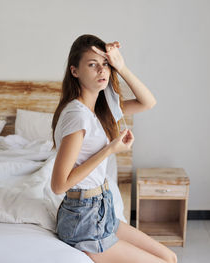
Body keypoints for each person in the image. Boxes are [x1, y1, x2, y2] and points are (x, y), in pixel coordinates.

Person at [50, 34, 177, 263]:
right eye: (92, 64)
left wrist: (121, 66)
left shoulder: (100, 109)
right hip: (84, 218)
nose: (102, 70)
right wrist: (109, 150)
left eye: (105, 64)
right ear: (74, 71)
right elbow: (59, 185)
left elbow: (148, 102)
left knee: (170, 257)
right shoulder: (77, 116)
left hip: (101, 208)